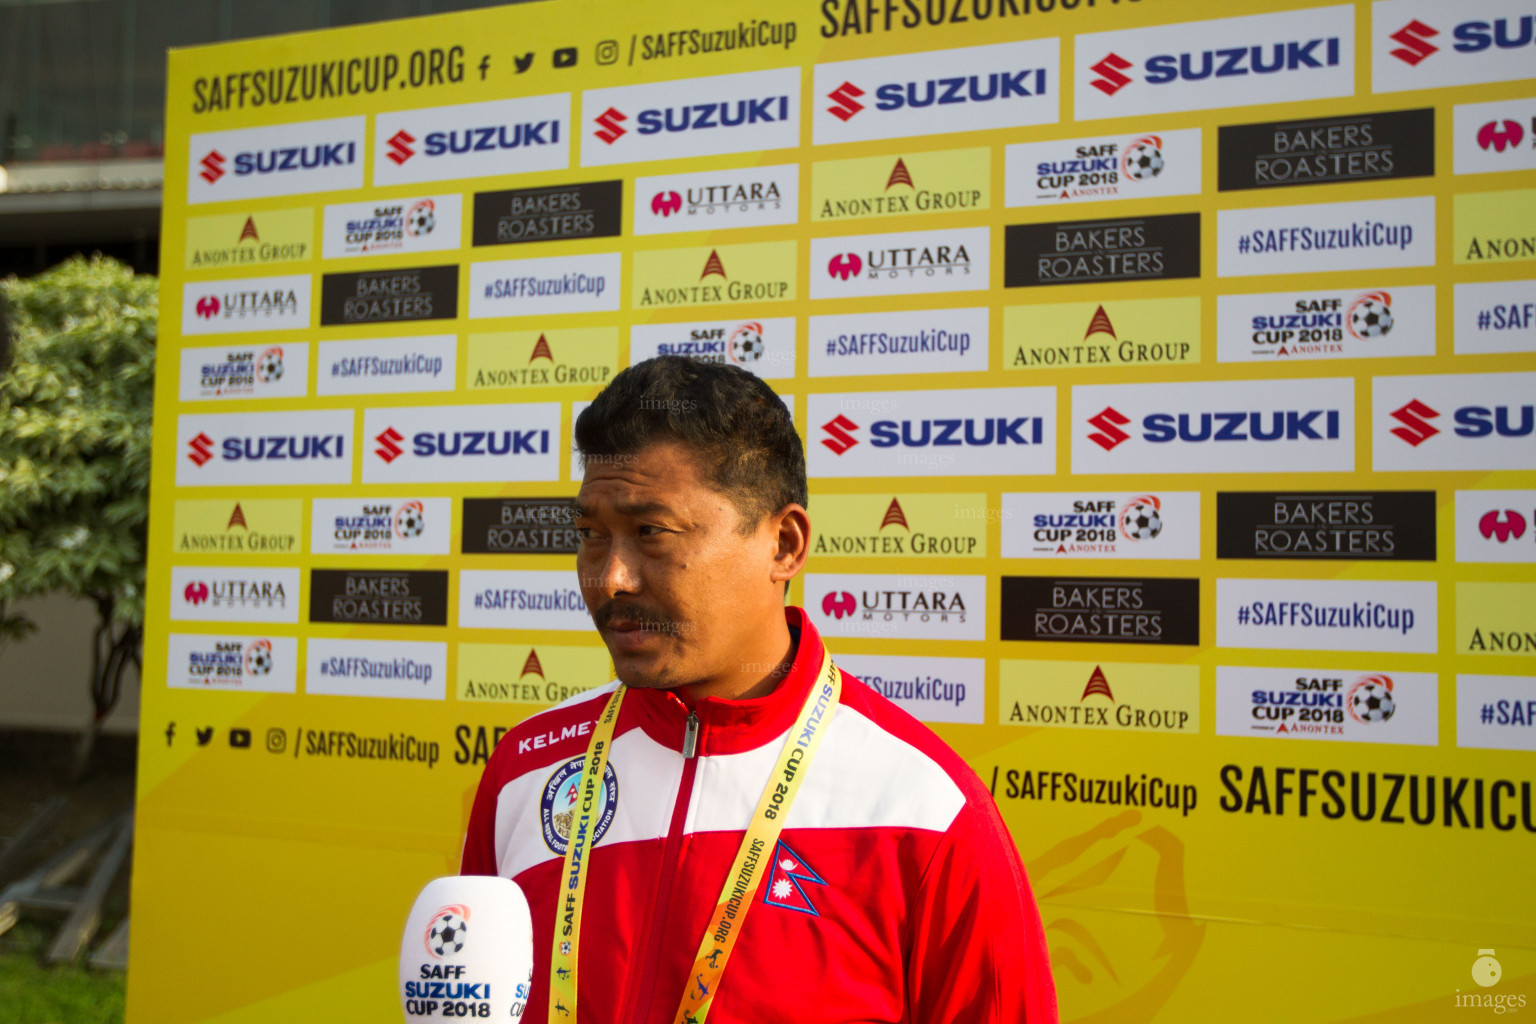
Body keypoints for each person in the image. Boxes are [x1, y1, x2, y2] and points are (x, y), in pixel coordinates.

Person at [460, 356, 1057, 1023]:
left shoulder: (924, 813)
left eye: (651, 533)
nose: (611, 580)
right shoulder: (527, 768)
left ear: (784, 543)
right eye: (590, 536)